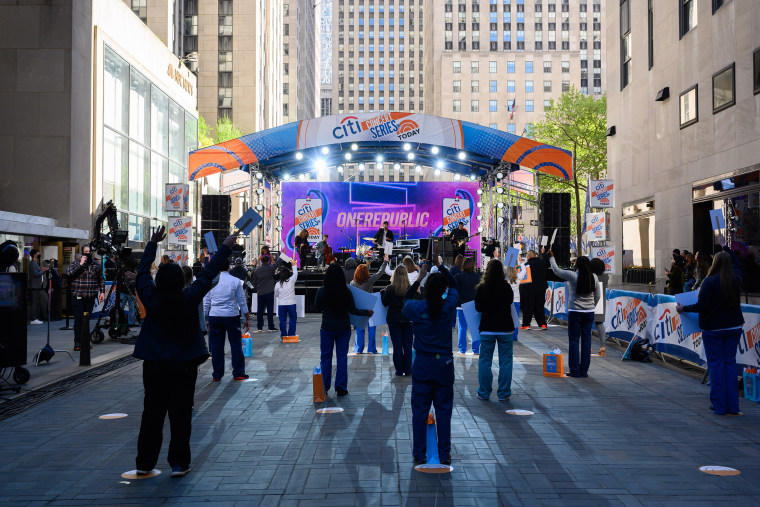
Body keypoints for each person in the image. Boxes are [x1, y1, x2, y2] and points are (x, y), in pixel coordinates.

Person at [133, 226, 237, 477]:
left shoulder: (150, 297)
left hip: (155, 363)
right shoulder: (188, 297)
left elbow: (141, 275)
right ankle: (179, 462)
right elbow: (209, 272)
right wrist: (225, 247)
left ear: (159, 281)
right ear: (180, 281)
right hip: (183, 365)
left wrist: (152, 245)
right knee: (180, 415)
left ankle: (145, 463)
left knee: (152, 413)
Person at [677, 236, 744, 416]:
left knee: (715, 366)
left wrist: (684, 308)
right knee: (730, 365)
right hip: (734, 326)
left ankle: (719, 406)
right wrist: (725, 247)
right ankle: (733, 407)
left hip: (713, 328)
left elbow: (702, 306)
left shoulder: (709, 281)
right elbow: (737, 264)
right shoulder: (736, 278)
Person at [402, 258, 458, 466]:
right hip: (444, 364)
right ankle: (444, 454)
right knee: (443, 411)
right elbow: (455, 285)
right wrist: (442, 266)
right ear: (442, 289)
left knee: (419, 410)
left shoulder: (417, 308)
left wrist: (419, 279)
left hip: (423, 364)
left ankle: (419, 453)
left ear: (426, 288)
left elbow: (404, 301)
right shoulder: (448, 306)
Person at [313, 263, 374, 396]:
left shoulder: (321, 291)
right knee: (342, 357)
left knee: (325, 357)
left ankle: (324, 386)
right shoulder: (346, 291)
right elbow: (353, 310)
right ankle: (341, 387)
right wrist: (366, 312)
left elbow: (316, 308)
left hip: (327, 327)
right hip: (343, 327)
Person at [548, 251, 600, 378]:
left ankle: (575, 370)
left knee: (574, 341)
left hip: (575, 312)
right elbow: (597, 296)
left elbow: (556, 270)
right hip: (589, 313)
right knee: (587, 341)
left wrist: (552, 257)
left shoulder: (573, 276)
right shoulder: (594, 277)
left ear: (577, 265)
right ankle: (584, 371)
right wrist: (591, 305)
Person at [203, 255, 251, 381]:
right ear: (229, 267)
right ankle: (238, 372)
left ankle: (217, 374)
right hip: (231, 316)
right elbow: (242, 301)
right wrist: (247, 318)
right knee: (235, 344)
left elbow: (206, 301)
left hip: (215, 316)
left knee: (217, 346)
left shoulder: (212, 280)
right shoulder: (235, 281)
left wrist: (205, 319)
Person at [474, 259, 515, 401]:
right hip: (505, 328)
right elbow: (510, 302)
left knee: (485, 361)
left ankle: (484, 393)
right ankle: (504, 394)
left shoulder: (482, 288)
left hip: (487, 329)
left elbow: (478, 308)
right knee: (506, 362)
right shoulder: (506, 287)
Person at [66, 244, 105, 351]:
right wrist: (81, 264)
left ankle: (85, 342)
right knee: (78, 319)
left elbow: (101, 279)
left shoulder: (96, 265)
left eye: (89, 251)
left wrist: (102, 292)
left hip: (90, 296)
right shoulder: (75, 263)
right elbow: (69, 273)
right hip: (78, 295)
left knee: (86, 320)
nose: (88, 253)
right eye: (86, 251)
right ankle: (78, 343)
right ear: (82, 252)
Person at [381, 264, 413, 376]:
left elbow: (385, 303)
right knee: (408, 345)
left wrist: (382, 293)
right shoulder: (410, 288)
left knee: (397, 345)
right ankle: (408, 369)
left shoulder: (390, 288)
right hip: (407, 319)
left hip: (394, 319)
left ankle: (399, 370)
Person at [350, 259, 388, 353]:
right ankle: (371, 349)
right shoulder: (370, 280)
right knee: (371, 329)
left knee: (359, 329)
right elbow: (380, 272)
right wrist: (385, 261)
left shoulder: (352, 283)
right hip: (371, 307)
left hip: (359, 308)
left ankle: (358, 349)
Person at [454, 257, 480, 354]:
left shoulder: (458, 277)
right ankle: (476, 349)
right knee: (475, 328)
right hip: (473, 305)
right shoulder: (477, 277)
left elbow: (455, 290)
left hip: (461, 306)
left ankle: (462, 349)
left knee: (462, 328)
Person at [519, 249, 549, 330]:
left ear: (528, 257)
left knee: (527, 307)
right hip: (541, 290)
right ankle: (543, 324)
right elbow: (547, 260)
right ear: (535, 256)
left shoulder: (526, 265)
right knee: (539, 307)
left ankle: (526, 325)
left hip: (528, 291)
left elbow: (521, 278)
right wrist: (543, 253)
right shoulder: (542, 263)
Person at [253, 254, 278, 332]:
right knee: (270, 311)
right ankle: (270, 327)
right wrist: (283, 253)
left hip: (260, 293)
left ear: (261, 261)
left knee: (260, 311)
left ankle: (259, 327)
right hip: (269, 292)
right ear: (268, 261)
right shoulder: (270, 268)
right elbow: (278, 263)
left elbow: (254, 283)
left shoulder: (257, 271)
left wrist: (258, 288)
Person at [589, 258, 609, 356]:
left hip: (590, 301)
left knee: (587, 324)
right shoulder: (605, 277)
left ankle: (588, 347)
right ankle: (602, 346)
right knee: (600, 324)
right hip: (601, 302)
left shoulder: (590, 277)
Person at [274, 261, 298, 338]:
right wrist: (294, 266)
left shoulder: (277, 284)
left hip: (281, 304)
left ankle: (283, 335)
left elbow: (276, 295)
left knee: (282, 321)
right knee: (292, 319)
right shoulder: (291, 281)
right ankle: (291, 334)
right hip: (291, 303)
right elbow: (295, 274)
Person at [28, 249, 48, 324]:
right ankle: (33, 318)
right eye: (38, 254)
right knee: (35, 303)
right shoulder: (32, 263)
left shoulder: (36, 263)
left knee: (37, 302)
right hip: (35, 286)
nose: (39, 255)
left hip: (38, 286)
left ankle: (35, 317)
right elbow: (35, 274)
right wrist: (42, 271)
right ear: (35, 255)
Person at [506, 266, 520, 342]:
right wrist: (521, 262)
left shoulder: (506, 280)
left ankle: (508, 334)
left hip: (508, 301)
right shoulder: (519, 278)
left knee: (507, 318)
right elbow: (524, 270)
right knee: (516, 319)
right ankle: (515, 336)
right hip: (517, 300)